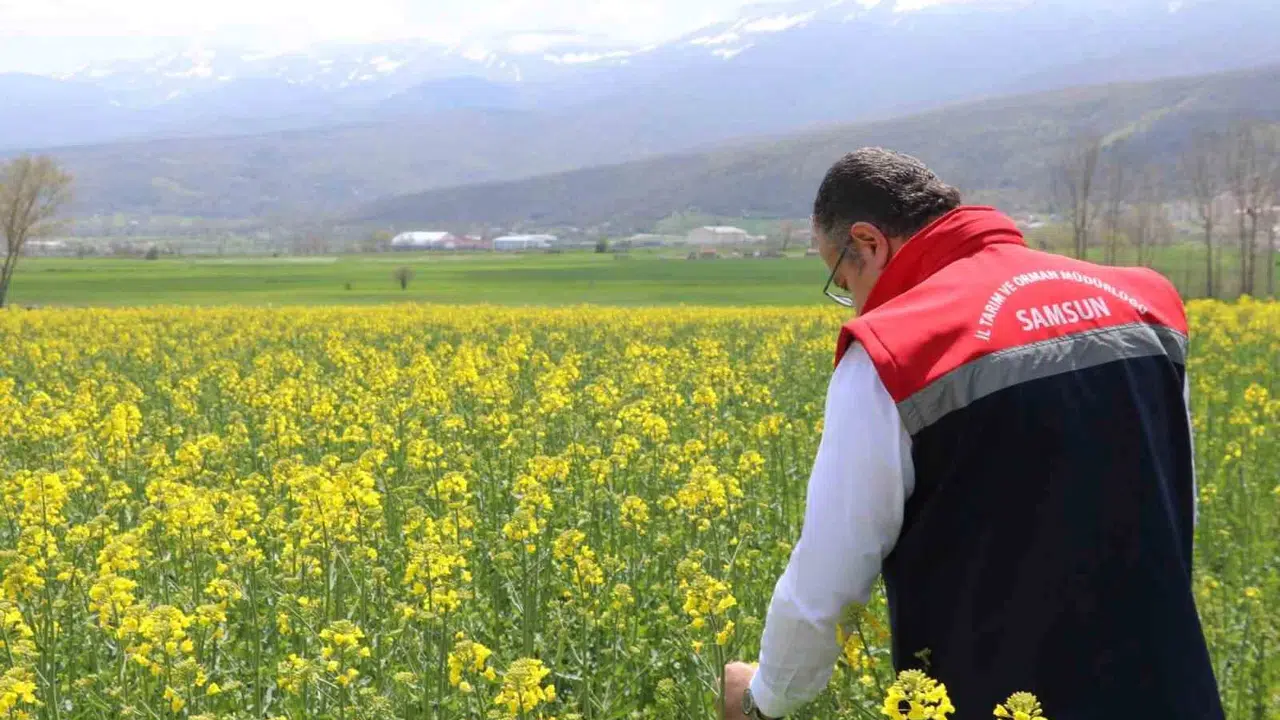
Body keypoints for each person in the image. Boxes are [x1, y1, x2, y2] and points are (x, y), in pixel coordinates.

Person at [721, 148, 1223, 720]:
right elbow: (1175, 509)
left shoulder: (896, 350)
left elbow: (827, 582)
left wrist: (764, 697)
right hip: (1172, 694)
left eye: (841, 277)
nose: (850, 298)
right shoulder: (1144, 303)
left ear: (868, 243)